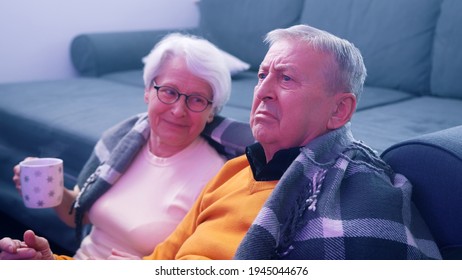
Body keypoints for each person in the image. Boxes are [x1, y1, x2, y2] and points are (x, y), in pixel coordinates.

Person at [1, 24, 441, 260]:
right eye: (263, 73)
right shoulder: (236, 172)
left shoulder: (360, 193)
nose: (264, 89)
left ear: (339, 111)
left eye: (286, 78)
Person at [0, 33, 248, 260]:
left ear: (211, 112)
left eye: (197, 100)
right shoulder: (121, 141)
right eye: (169, 92)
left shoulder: (216, 176)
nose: (177, 110)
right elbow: (78, 214)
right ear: (148, 91)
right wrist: (52, 199)